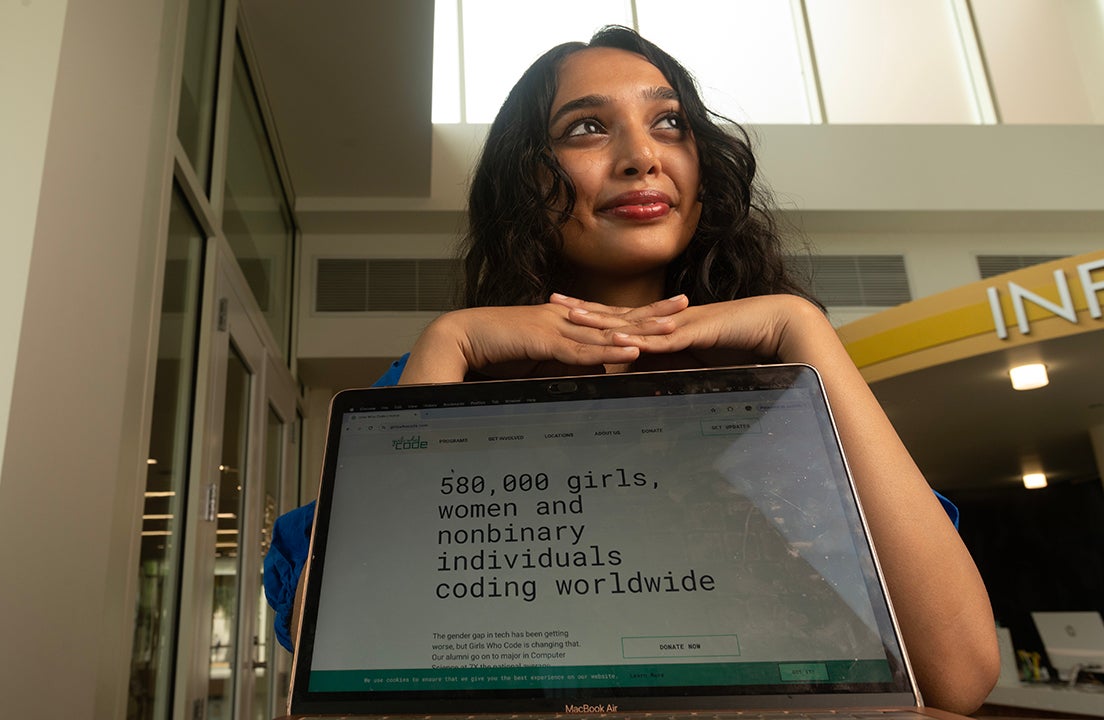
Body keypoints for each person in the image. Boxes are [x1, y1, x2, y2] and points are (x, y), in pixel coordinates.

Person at [265, 25, 999, 712]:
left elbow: (958, 673)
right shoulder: (441, 374)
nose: (642, 156)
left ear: (704, 175)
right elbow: (337, 656)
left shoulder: (790, 376)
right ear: (525, 181)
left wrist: (799, 327)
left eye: (669, 122)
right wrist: (447, 341)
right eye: (586, 127)